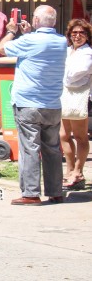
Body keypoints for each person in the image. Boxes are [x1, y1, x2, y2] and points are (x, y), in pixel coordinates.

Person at [0, 5, 65, 205]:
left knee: (29, 148)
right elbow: (40, 48)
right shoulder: (61, 41)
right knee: (52, 149)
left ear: (36, 20)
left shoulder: (28, 41)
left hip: (28, 103)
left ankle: (31, 193)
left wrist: (11, 31)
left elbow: (2, 48)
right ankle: (55, 191)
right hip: (52, 103)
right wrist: (28, 34)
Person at [59, 19, 92, 190]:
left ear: (87, 36)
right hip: (64, 96)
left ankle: (78, 171)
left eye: (82, 33)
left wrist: (62, 71)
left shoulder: (88, 54)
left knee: (80, 137)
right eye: (74, 33)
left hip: (79, 97)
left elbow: (72, 76)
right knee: (63, 136)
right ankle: (70, 169)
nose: (77, 36)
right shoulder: (66, 51)